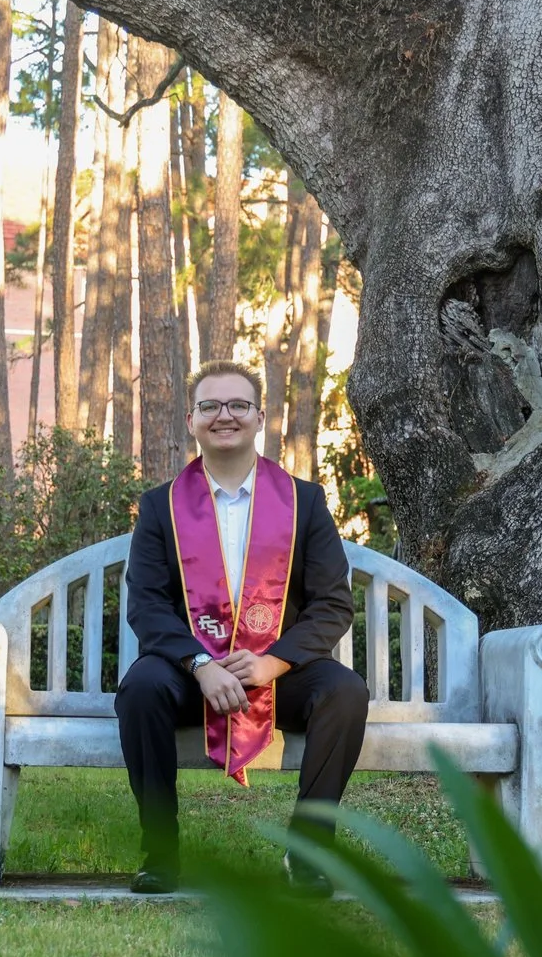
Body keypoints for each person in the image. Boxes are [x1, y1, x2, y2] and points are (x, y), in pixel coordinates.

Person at [118, 361, 366, 895]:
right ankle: (161, 855)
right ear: (191, 420)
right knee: (140, 689)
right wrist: (201, 664)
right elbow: (147, 604)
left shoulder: (306, 502)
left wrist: (271, 661)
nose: (223, 415)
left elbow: (332, 604)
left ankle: (307, 855)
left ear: (259, 418)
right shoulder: (160, 508)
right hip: (191, 674)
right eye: (210, 406)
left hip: (278, 671)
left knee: (344, 691)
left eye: (237, 405)